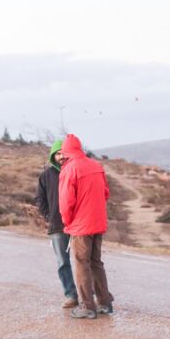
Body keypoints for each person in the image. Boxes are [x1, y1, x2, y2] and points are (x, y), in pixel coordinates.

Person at [58, 133, 114, 319]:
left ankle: (87, 306)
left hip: (81, 226)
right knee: (96, 262)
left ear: (66, 151)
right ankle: (105, 302)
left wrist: (67, 222)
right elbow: (105, 193)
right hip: (98, 222)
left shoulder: (69, 169)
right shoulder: (95, 165)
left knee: (82, 264)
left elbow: (66, 203)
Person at [34, 139, 77, 308]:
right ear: (53, 156)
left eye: (63, 153)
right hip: (57, 226)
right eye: (58, 153)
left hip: (78, 225)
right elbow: (39, 199)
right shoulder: (46, 176)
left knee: (83, 261)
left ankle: (90, 294)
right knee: (62, 262)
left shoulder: (75, 172)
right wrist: (48, 216)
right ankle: (71, 295)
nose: (61, 156)